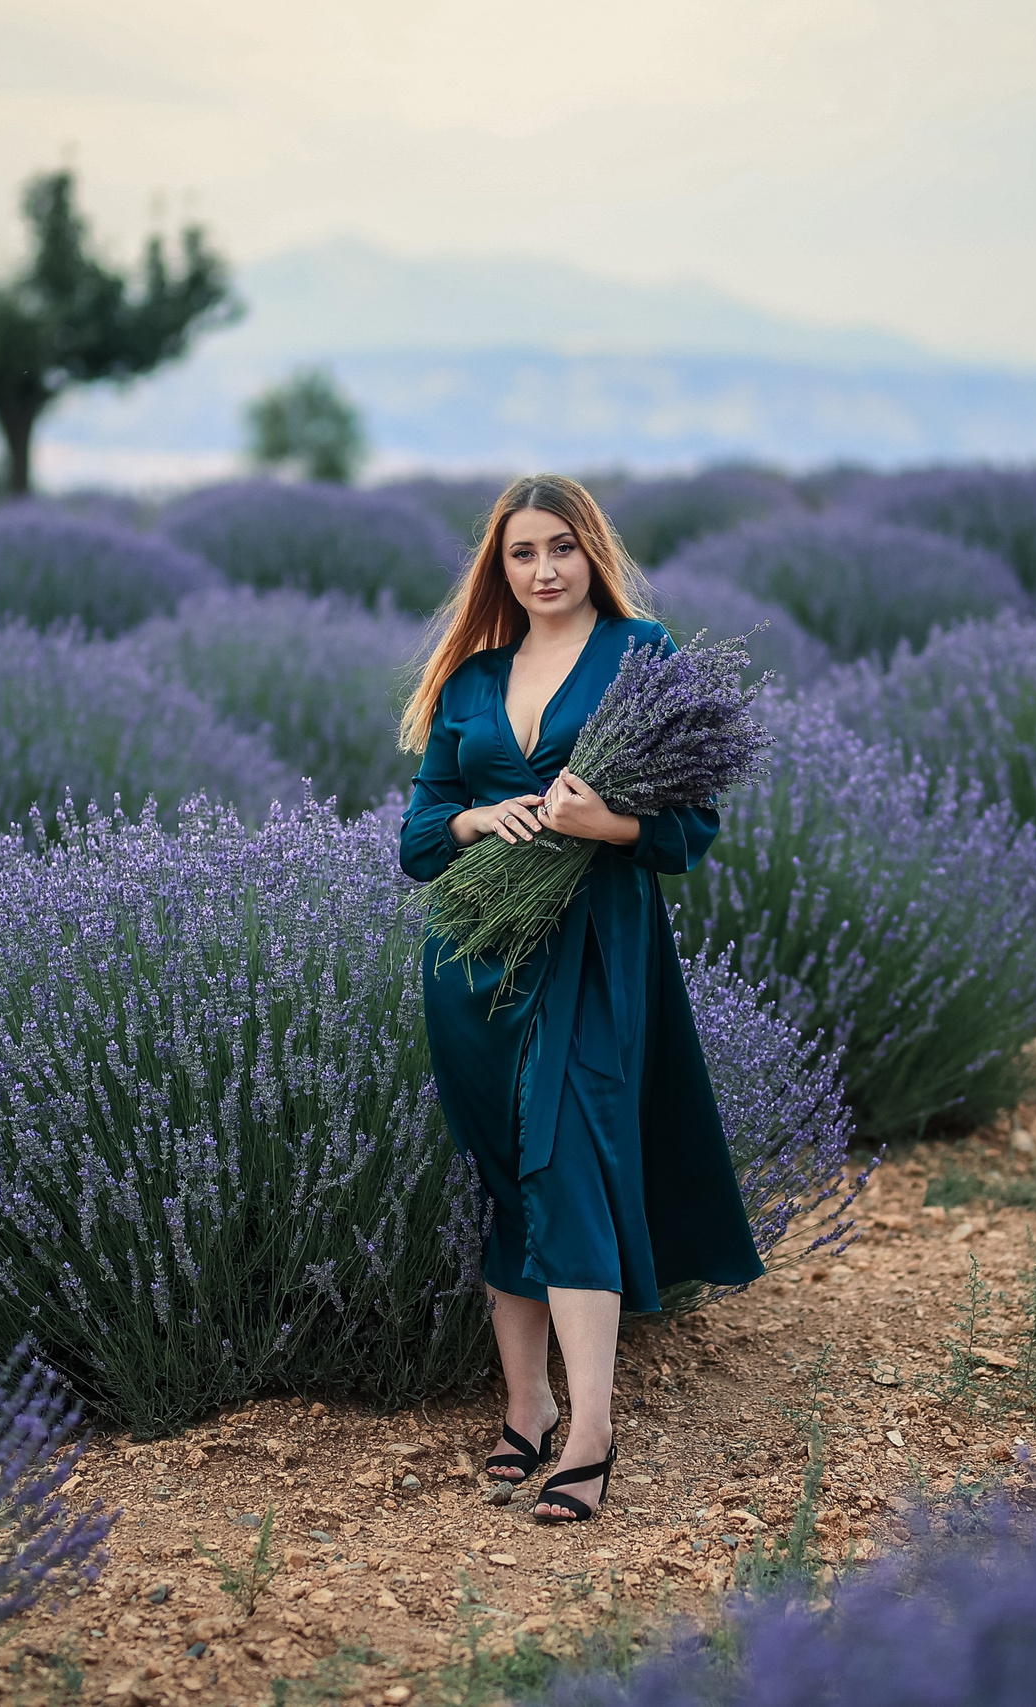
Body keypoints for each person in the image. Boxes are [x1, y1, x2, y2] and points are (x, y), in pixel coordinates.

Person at [396, 474, 762, 1524]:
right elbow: (417, 838)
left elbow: (691, 830)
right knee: (505, 1178)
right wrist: (479, 819)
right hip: (473, 964)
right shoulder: (472, 677)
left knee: (568, 1169)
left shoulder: (641, 654)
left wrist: (603, 826)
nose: (544, 569)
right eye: (523, 553)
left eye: (561, 546)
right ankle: (528, 1405)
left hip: (593, 951)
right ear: (499, 567)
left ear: (591, 550)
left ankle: (592, 1433)